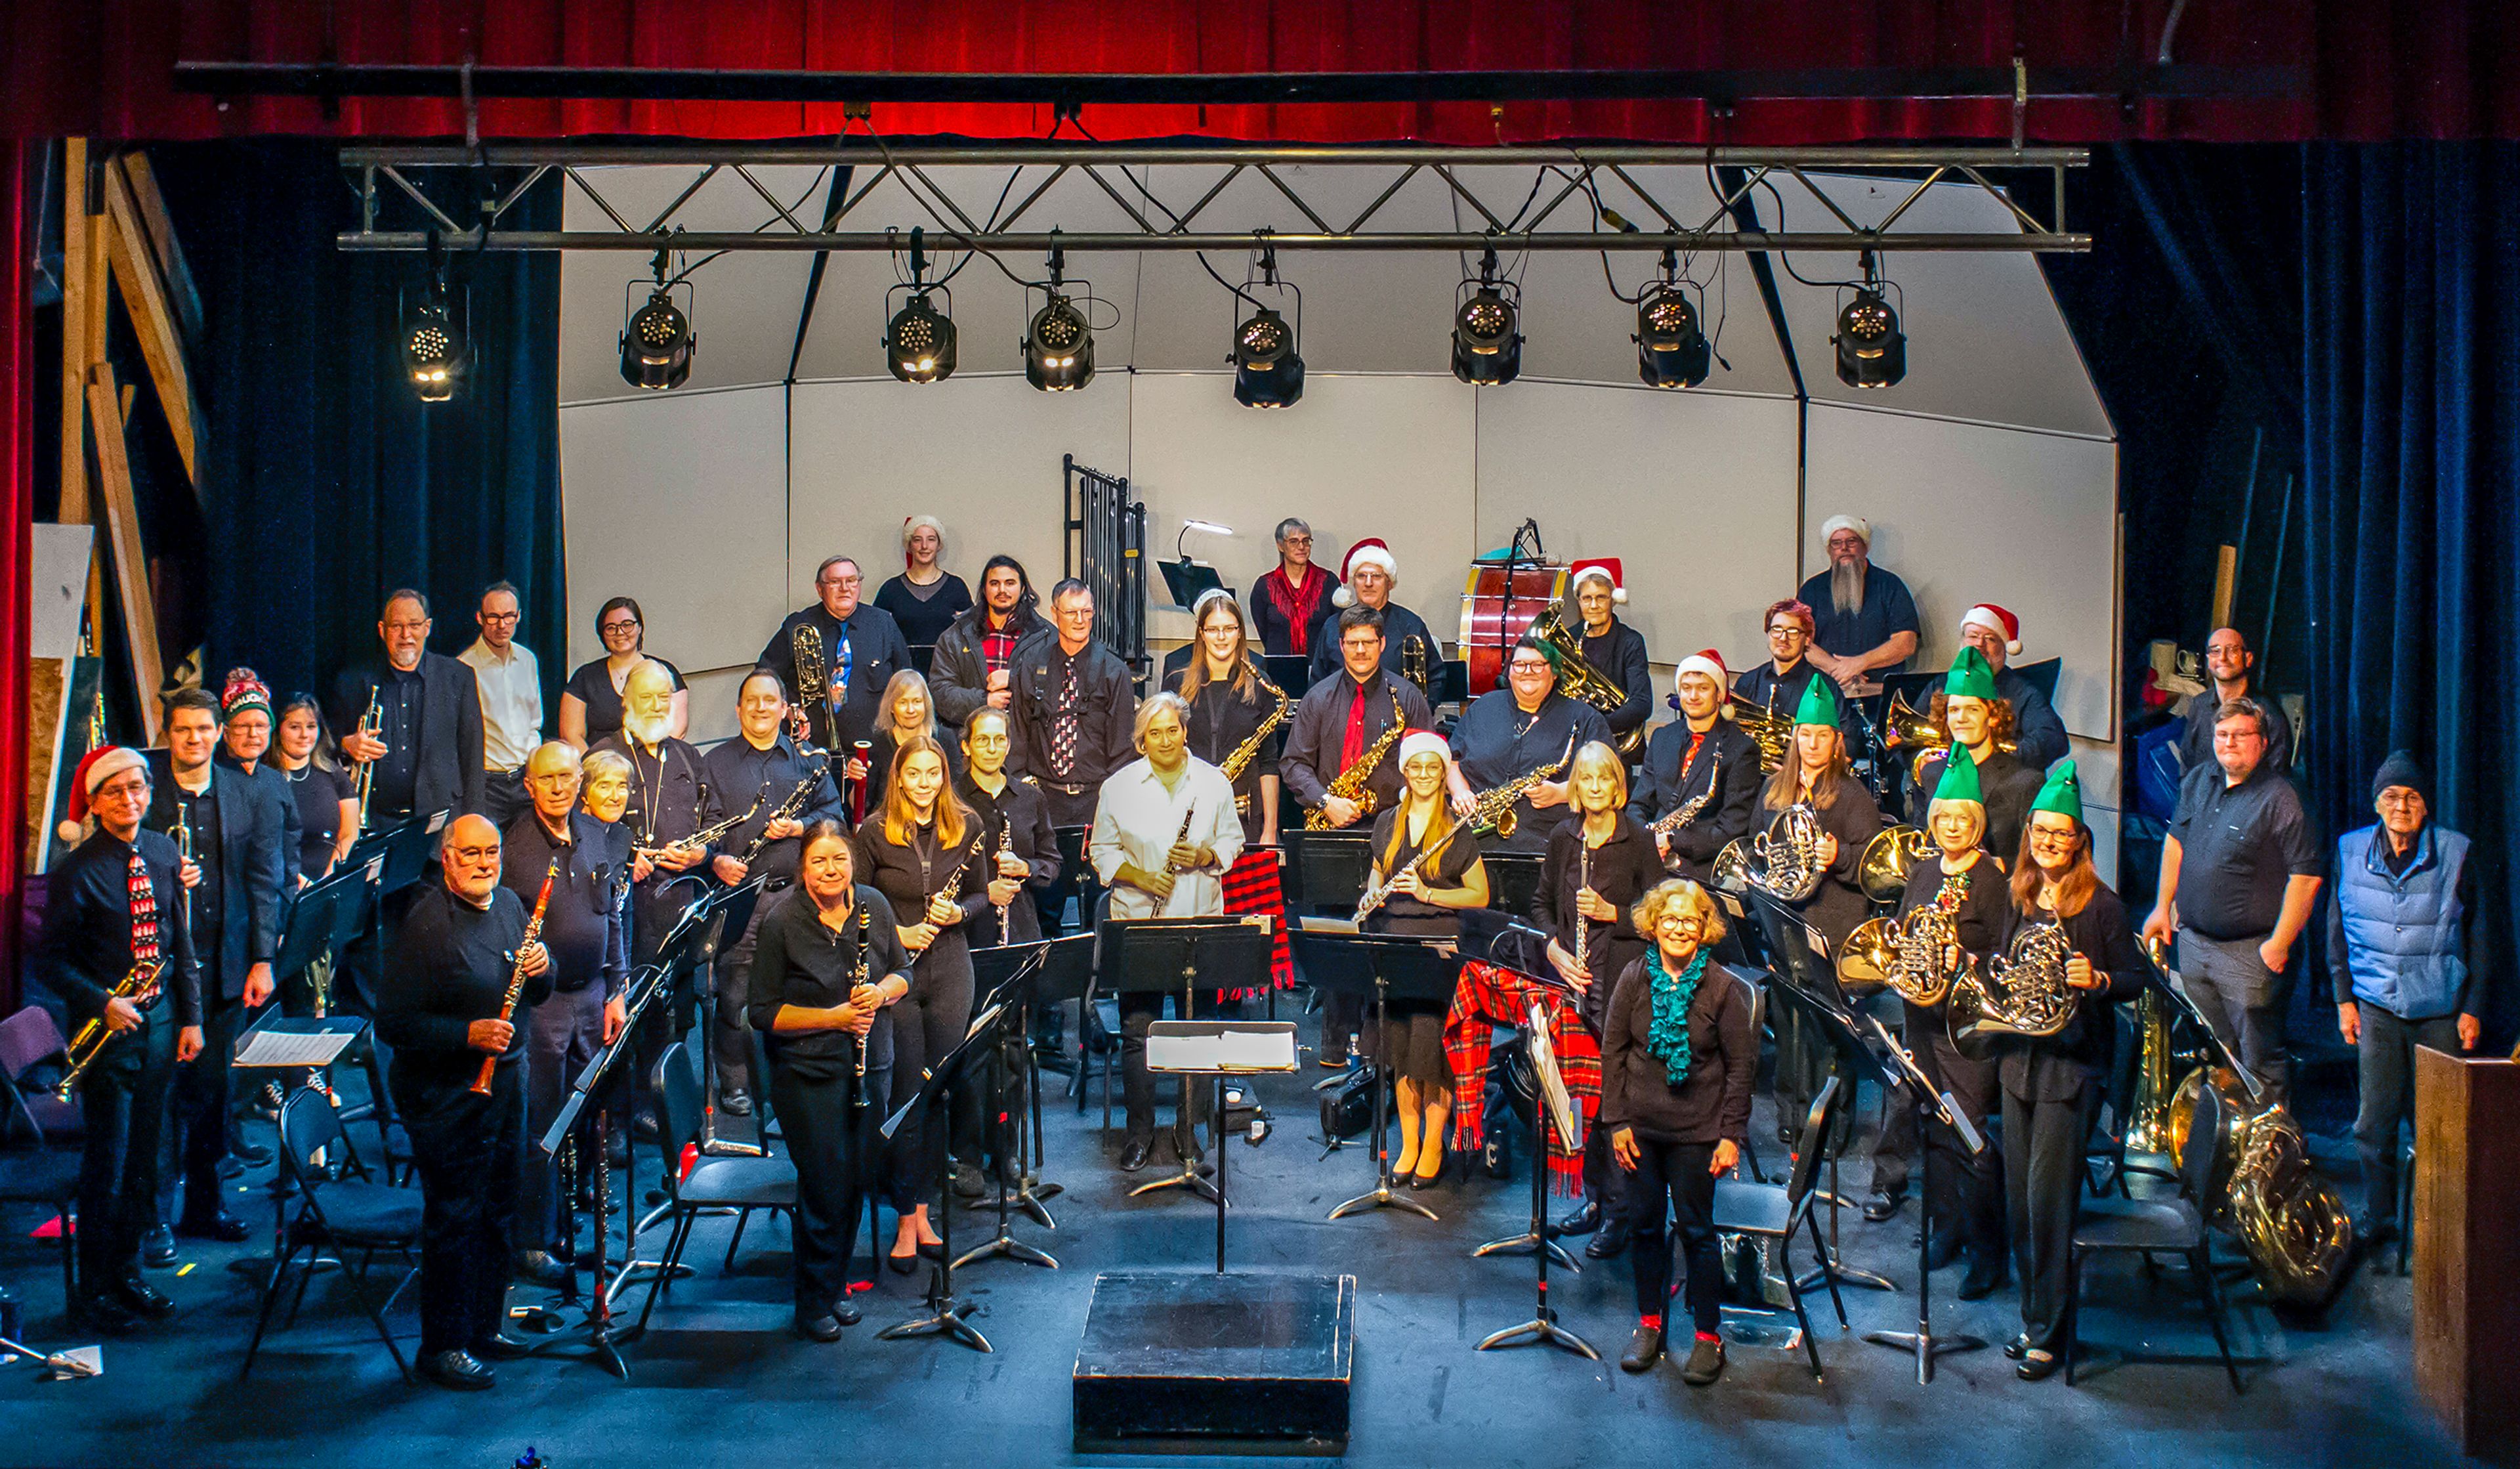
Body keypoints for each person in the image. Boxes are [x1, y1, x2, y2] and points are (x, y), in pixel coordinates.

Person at [372, 813, 552, 1390]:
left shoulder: (507, 905)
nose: (483, 863)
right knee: (455, 1215)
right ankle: (442, 1345)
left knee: (500, 1206)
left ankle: (483, 1325)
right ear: (446, 859)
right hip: (446, 1093)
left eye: (491, 852)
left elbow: (534, 991)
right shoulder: (424, 926)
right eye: (470, 854)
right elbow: (394, 1023)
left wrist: (545, 969)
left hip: (506, 1081)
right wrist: (466, 1035)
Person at [35, 746, 203, 1329]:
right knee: (107, 1163)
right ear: (95, 803)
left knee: (146, 1159)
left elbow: (181, 943)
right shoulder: (76, 871)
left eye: (138, 788)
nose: (130, 800)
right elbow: (51, 962)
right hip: (111, 1037)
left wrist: (192, 1019)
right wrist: (102, 1002)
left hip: (160, 1026)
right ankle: (93, 1290)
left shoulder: (162, 851)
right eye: (116, 792)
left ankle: (127, 1272)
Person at [1998, 762, 2142, 1380]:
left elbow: (2139, 979)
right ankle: (2035, 1316)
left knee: (2048, 1201)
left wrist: (2100, 979)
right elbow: (2005, 965)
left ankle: (2050, 1333)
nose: (2048, 843)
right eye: (2040, 832)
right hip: (2019, 1064)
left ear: (2081, 839)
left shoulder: (2103, 906)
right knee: (2020, 1202)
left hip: (2069, 1069)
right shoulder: (2022, 893)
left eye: (2060, 834)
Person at [749, 822, 912, 1340]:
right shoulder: (782, 921)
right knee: (824, 1186)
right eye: (819, 861)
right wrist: (836, 1017)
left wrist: (880, 994)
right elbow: (762, 1012)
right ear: (803, 867)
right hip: (807, 1073)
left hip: (871, 1065)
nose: (830, 870)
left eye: (839, 858)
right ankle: (811, 1302)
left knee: (857, 1180)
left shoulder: (874, 905)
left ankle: (836, 1284)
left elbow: (903, 971)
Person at [146, 686, 285, 1248]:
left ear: (219, 733)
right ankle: (153, 1218)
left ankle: (205, 1207)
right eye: (184, 730)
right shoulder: (146, 791)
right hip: (159, 972)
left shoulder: (245, 792)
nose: (195, 739)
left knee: (212, 1093)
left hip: (225, 967)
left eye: (204, 729)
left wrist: (262, 960)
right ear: (169, 735)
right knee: (159, 1099)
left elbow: (263, 881)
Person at [2326, 751, 2481, 1243]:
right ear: (2377, 803)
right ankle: (2381, 1217)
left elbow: (2484, 933)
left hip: (2438, 1008)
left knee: (2438, 1126)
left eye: (2412, 796)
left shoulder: (2456, 851)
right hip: (2375, 1006)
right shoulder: (2350, 851)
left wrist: (2473, 1006)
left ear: (2426, 805)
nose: (2402, 806)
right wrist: (2343, 999)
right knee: (2374, 1123)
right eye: (2391, 796)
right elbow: (2336, 929)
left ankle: (2435, 1223)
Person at [1602, 879, 1752, 1384]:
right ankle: (1649, 1325)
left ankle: (1708, 1336)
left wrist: (1731, 1135)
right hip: (1640, 1129)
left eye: (1690, 920)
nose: (1679, 928)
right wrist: (1617, 1122)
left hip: (1698, 1133)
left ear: (1704, 927)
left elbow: (1740, 1068)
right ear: (1654, 924)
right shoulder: (1632, 976)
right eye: (1670, 919)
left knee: (1697, 1232)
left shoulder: (1722, 987)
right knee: (1644, 1227)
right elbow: (1614, 1051)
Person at [1089, 693, 1246, 1173]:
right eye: (1153, 733)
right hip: (1139, 922)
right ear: (1141, 741)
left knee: (1195, 1031)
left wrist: (1205, 857)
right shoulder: (1118, 787)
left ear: (1185, 731)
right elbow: (1102, 851)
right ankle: (1139, 1133)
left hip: (1198, 920)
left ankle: (1187, 1130)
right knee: (1139, 1032)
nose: (1164, 740)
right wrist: (1139, 875)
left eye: (1172, 730)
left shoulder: (1213, 782)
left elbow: (1233, 841)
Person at [2142, 696, 2323, 1104]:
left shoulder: (2282, 798)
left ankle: (2272, 1156)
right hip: (2193, 943)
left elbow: (2307, 878)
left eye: (2241, 735)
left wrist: (2279, 943)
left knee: (2259, 1063)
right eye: (2222, 735)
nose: (2230, 743)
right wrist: (2161, 905)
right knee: (2216, 1056)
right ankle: (2226, 1150)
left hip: (2249, 953)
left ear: (2262, 742)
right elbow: (2175, 842)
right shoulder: (2198, 781)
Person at [852, 736, 990, 1268]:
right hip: (900, 971)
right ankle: (906, 1217)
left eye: (934, 773)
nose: (926, 783)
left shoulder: (968, 824)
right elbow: (858, 903)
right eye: (915, 774)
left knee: (939, 1088)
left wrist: (960, 914)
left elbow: (979, 893)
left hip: (953, 965)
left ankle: (927, 1208)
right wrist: (900, 932)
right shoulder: (871, 832)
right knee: (908, 1091)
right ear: (900, 779)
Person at [1281, 605, 1435, 1065]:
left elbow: (1427, 764)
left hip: (1389, 830)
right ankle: (1334, 1047)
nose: (1361, 650)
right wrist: (1326, 801)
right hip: (1332, 827)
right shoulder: (1319, 697)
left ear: (1382, 644)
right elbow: (1293, 763)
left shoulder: (1407, 698)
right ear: (1340, 645)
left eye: (1369, 641)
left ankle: (1381, 1052)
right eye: (1352, 643)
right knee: (1338, 941)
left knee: (1385, 938)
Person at [501, 742, 629, 1287]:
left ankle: (573, 1220)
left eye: (568, 777)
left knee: (586, 1115)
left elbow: (613, 913)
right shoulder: (513, 846)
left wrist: (617, 988)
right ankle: (532, 1239)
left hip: (594, 995)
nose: (560, 787)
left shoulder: (594, 831)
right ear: (529, 785)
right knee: (541, 1124)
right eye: (547, 779)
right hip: (543, 1004)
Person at [1534, 740, 1662, 1258]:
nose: (1593, 789)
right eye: (1584, 780)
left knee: (1617, 1100)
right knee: (1581, 1095)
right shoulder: (1565, 837)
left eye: (1602, 780)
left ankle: (1620, 1212)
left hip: (1623, 984)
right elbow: (1542, 903)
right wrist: (1553, 949)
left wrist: (1613, 913)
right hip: (1576, 981)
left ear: (1617, 786)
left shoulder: (1638, 841)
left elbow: (1662, 913)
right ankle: (1593, 1200)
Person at [1895, 753, 2013, 1300]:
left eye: (1962, 820)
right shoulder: (1922, 871)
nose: (1951, 827)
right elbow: (1900, 931)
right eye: (1943, 818)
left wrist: (1965, 958)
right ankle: (1947, 1229)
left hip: (1966, 1029)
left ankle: (1988, 1253)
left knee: (1970, 1136)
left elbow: (2006, 956)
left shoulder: (1990, 880)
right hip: (1922, 1018)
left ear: (1977, 824)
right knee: (1934, 1125)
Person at [701, 669, 845, 1115]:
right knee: (735, 994)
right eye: (752, 701)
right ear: (740, 709)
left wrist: (800, 827)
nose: (761, 708)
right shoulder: (716, 763)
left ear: (785, 709)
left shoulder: (808, 762)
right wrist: (717, 860)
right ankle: (736, 1083)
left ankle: (794, 1081)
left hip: (797, 899)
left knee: (801, 992)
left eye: (771, 701)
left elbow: (836, 819)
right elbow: (704, 828)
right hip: (742, 898)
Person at [1754, 677, 1885, 1163]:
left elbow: (1873, 865)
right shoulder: (1773, 790)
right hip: (1783, 922)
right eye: (1804, 734)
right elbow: (1757, 845)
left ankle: (1830, 1127)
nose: (1811, 743)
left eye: (1821, 735)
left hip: (1830, 924)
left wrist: (1839, 855)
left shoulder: (1852, 797)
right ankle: (1792, 1121)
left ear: (1836, 743)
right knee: (1789, 1028)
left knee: (1829, 1032)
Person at [1360, 731, 1488, 1187]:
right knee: (1398, 1049)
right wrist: (1372, 897)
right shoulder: (1387, 822)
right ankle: (1409, 1144)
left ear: (1442, 771)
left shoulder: (1456, 828)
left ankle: (1434, 1144)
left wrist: (1428, 891)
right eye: (1416, 767)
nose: (1425, 776)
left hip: (1439, 949)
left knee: (1431, 1053)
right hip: (1393, 944)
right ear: (1405, 771)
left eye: (1433, 768)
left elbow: (1480, 893)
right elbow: (1376, 876)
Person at [1166, 590, 1290, 994]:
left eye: (1230, 629)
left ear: (1241, 633)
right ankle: (1195, 992)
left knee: (1239, 915)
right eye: (1214, 629)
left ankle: (1232, 999)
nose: (1222, 637)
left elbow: (1269, 762)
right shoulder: (1176, 683)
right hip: (1187, 814)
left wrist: (1270, 830)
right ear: (1201, 633)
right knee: (1194, 911)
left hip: (1244, 814)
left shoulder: (1261, 686)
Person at [1008, 579, 1137, 932]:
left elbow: (1124, 749)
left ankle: (1094, 984)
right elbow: (1017, 733)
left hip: (1096, 801)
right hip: (1044, 801)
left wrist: (1113, 805)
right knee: (1045, 902)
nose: (1080, 620)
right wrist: (1021, 790)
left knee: (1098, 903)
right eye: (1071, 613)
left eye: (1087, 612)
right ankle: (1047, 981)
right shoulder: (1031, 664)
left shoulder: (1114, 670)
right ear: (1055, 614)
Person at [594, 659, 725, 965]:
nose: (656, 706)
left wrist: (701, 853)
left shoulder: (687, 755)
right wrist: (624, 858)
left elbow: (715, 818)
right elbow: (583, 828)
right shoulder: (603, 755)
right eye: (646, 697)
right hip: (627, 914)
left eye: (663, 697)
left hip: (683, 907)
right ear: (626, 701)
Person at [329, 589, 488, 825]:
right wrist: (347, 745)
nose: (406, 635)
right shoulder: (353, 681)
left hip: (440, 822)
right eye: (396, 626)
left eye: (414, 625)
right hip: (376, 822)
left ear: (428, 627)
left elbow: (473, 757)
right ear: (382, 630)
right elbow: (328, 743)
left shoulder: (458, 677)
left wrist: (474, 820)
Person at [1444, 635, 1612, 855]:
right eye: (1520, 664)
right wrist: (1460, 792)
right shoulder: (1484, 707)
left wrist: (1563, 793)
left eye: (1537, 665)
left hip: (1547, 843)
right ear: (1509, 673)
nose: (1527, 671)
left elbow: (1612, 782)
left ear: (1554, 673)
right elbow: (1452, 760)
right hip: (1475, 837)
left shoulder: (1585, 718)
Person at [1630, 649, 1763, 887]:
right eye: (1686, 687)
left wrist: (1672, 840)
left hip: (1701, 869)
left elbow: (1732, 827)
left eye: (1703, 688)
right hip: (1651, 857)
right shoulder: (1662, 737)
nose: (1693, 696)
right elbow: (1639, 803)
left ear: (1720, 695)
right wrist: (1645, 839)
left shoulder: (1742, 749)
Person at [759, 555, 914, 756]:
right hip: (811, 748)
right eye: (835, 582)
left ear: (859, 585)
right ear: (819, 588)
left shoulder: (883, 624)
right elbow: (765, 677)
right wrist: (788, 709)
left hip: (873, 749)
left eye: (851, 581)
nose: (844, 588)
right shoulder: (798, 626)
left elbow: (906, 679)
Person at [1911, 648, 2046, 868]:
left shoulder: (2026, 781)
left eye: (1972, 709)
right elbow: (1924, 842)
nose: (1961, 719)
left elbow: (2037, 860)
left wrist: (1998, 864)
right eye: (1954, 710)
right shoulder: (1931, 773)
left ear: (1992, 717)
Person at [957, 708, 1058, 947]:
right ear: (966, 747)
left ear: (1009, 745)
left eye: (999, 740)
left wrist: (1024, 867)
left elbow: (1053, 866)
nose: (992, 749)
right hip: (966, 936)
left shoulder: (1031, 797)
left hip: (1022, 931)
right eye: (982, 740)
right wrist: (984, 894)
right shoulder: (951, 800)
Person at [1795, 515, 1920, 694]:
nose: (1844, 548)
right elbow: (1799, 641)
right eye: (1836, 543)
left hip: (1879, 693)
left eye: (1851, 541)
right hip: (1824, 694)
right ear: (1829, 551)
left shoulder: (1890, 585)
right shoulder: (1812, 589)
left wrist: (1860, 663)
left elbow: (1905, 643)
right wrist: (1839, 670)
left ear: (1865, 547)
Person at [461, 582, 545, 828]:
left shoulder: (527, 660)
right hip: (488, 785)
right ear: (480, 617)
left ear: (519, 616)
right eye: (494, 617)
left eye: (509, 617)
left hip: (525, 779)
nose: (502, 625)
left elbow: (534, 722)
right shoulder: (464, 668)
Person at [1307, 538, 1439, 695]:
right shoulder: (1332, 626)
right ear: (1353, 582)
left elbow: (1435, 678)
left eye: (1376, 576)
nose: (1368, 583)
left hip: (1396, 717)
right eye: (1361, 576)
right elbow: (1317, 684)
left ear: (1389, 583)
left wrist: (1416, 714)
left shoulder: (1410, 625)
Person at [929, 555, 1045, 734]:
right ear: (984, 589)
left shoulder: (1044, 636)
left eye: (1010, 583)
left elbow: (1056, 686)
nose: (1002, 590)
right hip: (970, 744)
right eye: (994, 583)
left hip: (1028, 744)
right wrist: (984, 702)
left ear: (1023, 589)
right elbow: (941, 692)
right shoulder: (956, 635)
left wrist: (1015, 679)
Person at [559, 597, 688, 751]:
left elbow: (677, 730)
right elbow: (571, 734)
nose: (619, 632)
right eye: (611, 627)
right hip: (601, 768)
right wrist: (595, 767)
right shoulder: (585, 677)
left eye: (627, 625)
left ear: (640, 627)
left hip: (656, 764)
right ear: (602, 633)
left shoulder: (665, 671)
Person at [1953, 603, 2068, 772]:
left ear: (2004, 648)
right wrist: (1921, 761)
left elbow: (2053, 740)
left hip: (1999, 783)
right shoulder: (1940, 686)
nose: (1979, 644)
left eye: (1990, 639)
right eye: (1973, 636)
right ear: (1963, 642)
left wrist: (1996, 755)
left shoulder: (2024, 693)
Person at [217, 669, 304, 889]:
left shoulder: (276, 781)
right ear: (225, 733)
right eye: (243, 726)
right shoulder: (214, 781)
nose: (253, 734)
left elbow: (290, 847)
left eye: (261, 726)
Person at [1562, 560, 1651, 755]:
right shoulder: (1567, 640)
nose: (1594, 606)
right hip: (1571, 742)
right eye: (1587, 598)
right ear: (1578, 601)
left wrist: (1596, 726)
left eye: (1601, 597)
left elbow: (1642, 703)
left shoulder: (1631, 641)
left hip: (1616, 742)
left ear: (1613, 600)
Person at [1732, 599, 1853, 742]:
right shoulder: (1748, 682)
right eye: (1776, 629)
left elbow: (1849, 741)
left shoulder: (1824, 686)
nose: (1783, 638)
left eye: (1793, 631)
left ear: (1808, 639)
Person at [270, 694, 359, 884]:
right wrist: (301, 885)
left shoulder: (335, 775)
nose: (305, 735)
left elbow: (349, 834)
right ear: (278, 730)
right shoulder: (267, 779)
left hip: (330, 884)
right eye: (295, 727)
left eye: (311, 726)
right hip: (285, 887)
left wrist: (328, 882)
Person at [2178, 627, 2291, 775]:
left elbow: (2275, 782)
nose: (2223, 658)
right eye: (2215, 650)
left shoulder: (2269, 716)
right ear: (2208, 659)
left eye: (2232, 650)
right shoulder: (2199, 705)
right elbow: (2187, 766)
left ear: (2248, 659)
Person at [858, 669, 962, 811]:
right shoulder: (878, 743)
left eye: (917, 701)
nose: (911, 710)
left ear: (926, 704)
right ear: (891, 708)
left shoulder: (946, 739)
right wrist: (858, 780)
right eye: (903, 703)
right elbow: (862, 804)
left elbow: (956, 795)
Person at [873, 514, 975, 654]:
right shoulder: (891, 589)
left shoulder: (956, 587)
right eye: (917, 540)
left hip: (948, 671)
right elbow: (877, 636)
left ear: (939, 545)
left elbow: (971, 635)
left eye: (931, 540)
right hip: (903, 671)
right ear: (909, 545)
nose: (924, 546)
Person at [1251, 517, 1331, 661]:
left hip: (1321, 668)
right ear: (1281, 546)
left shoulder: (1328, 582)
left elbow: (1335, 628)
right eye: (1294, 542)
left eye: (1306, 541)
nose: (1301, 547)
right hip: (1279, 668)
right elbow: (1264, 630)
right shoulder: (1264, 586)